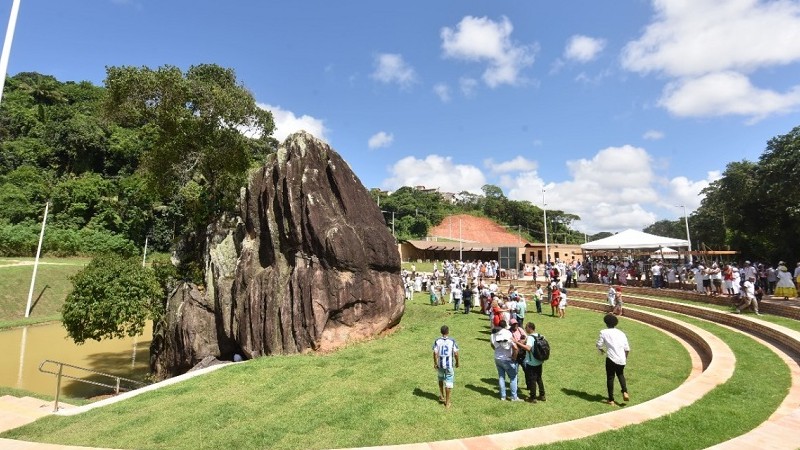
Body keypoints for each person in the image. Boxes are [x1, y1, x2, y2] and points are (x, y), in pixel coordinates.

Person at [596, 314, 630, 406]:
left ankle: (611, 400)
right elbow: (627, 349)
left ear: (606, 323)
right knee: (620, 374)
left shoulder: (603, 332)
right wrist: (624, 359)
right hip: (622, 358)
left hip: (611, 358)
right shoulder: (621, 333)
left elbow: (599, 344)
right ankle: (625, 391)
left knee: (610, 378)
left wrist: (601, 349)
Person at [490, 319, 521, 401]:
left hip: (497, 358)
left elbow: (492, 345)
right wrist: (514, 357)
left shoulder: (494, 334)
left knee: (501, 377)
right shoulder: (507, 333)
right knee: (513, 377)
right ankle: (514, 397)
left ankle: (503, 396)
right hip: (507, 358)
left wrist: (497, 351)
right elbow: (515, 347)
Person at [517, 322, 546, 403]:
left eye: (526, 327)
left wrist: (517, 343)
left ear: (530, 328)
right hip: (539, 361)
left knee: (532, 380)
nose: (525, 329)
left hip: (531, 362)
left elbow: (528, 348)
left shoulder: (530, 338)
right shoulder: (540, 335)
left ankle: (532, 397)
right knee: (539, 378)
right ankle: (542, 395)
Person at [433, 325, 459, 408]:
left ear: (441, 332)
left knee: (440, 379)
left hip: (440, 365)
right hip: (449, 366)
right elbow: (456, 353)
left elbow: (435, 353)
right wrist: (457, 362)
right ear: (448, 332)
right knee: (448, 382)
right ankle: (447, 402)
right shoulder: (452, 341)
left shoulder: (437, 341)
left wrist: (435, 363)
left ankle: (441, 395)